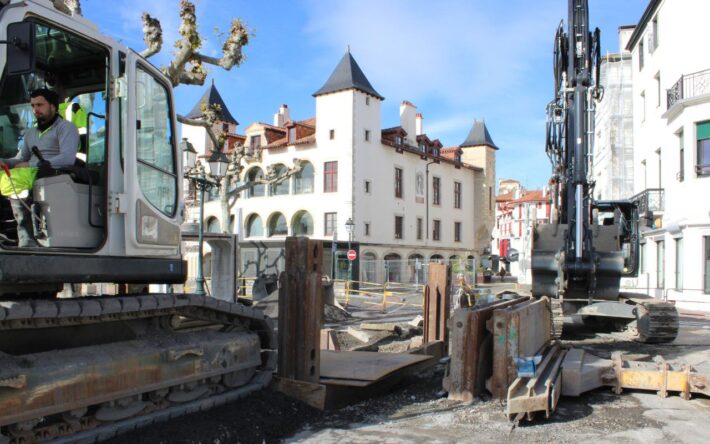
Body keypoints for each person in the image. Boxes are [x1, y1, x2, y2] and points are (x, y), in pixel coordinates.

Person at [0, 88, 79, 247]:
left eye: (40, 105)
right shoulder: (30, 133)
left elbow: (67, 157)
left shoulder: (66, 128)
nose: (36, 110)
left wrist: (31, 164)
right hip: (32, 175)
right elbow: (21, 158)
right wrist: (5, 162)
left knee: (22, 190)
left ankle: (28, 242)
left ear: (53, 106)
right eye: (33, 106)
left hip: (55, 176)